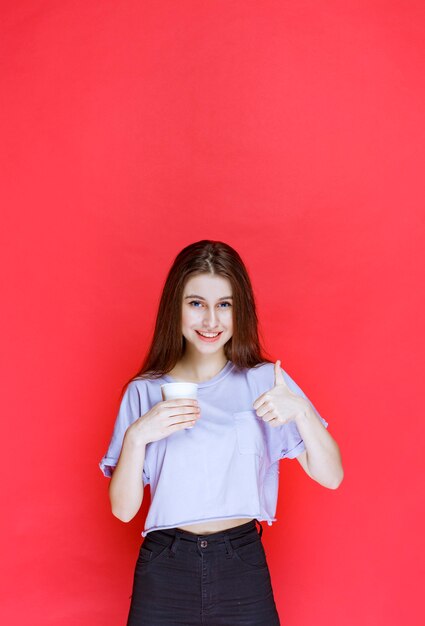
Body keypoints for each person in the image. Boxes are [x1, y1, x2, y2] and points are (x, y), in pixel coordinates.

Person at [99, 239, 344, 626]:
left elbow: (331, 476)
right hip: (165, 565)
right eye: (196, 303)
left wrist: (301, 411)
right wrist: (136, 436)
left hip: (241, 562)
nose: (211, 321)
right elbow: (124, 510)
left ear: (239, 310)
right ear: (175, 309)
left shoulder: (265, 380)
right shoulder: (144, 391)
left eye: (224, 305)